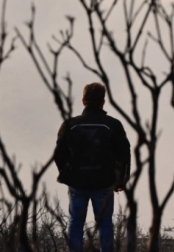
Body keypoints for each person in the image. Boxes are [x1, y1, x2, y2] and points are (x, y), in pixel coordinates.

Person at [54, 82, 131, 252]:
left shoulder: (70, 124)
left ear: (83, 101)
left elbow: (59, 154)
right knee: (105, 223)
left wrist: (66, 174)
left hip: (77, 182)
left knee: (76, 222)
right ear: (103, 102)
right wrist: (121, 180)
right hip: (104, 182)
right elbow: (124, 155)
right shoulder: (113, 125)